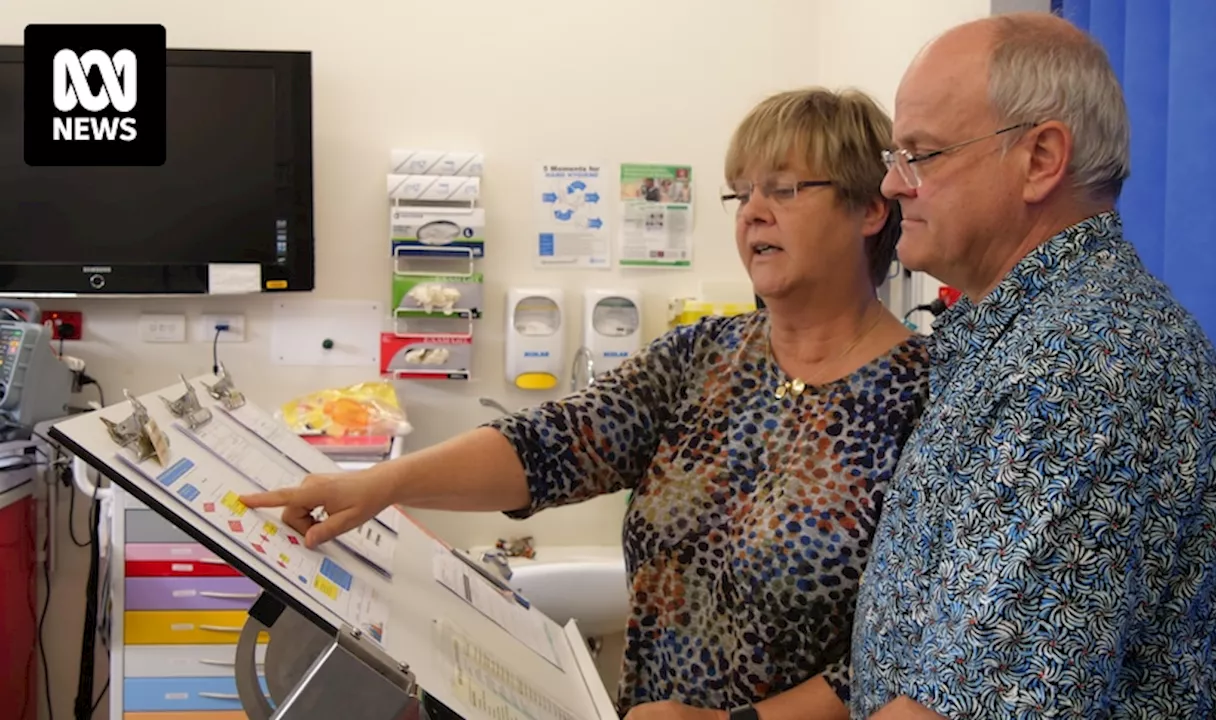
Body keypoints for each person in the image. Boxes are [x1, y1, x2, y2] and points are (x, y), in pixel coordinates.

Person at [243, 87, 930, 720]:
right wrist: (382, 484)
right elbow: (549, 445)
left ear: (871, 208)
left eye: (783, 188)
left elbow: (909, 655)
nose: (752, 212)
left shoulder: (921, 398)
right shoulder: (700, 359)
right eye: (740, 193)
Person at [849, 12, 1216, 719]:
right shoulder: (1032, 338)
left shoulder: (1083, 369)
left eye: (920, 155)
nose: (893, 186)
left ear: (1041, 158)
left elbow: (971, 706)